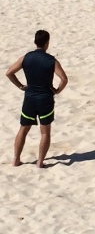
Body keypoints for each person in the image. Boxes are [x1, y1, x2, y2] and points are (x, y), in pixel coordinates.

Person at [5, 30, 68, 168]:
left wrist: (21, 86)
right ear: (47, 43)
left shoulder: (26, 57)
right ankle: (40, 162)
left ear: (35, 42)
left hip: (29, 98)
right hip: (45, 99)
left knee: (23, 129)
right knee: (45, 132)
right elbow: (64, 79)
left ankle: (16, 160)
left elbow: (9, 73)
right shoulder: (51, 60)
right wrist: (57, 91)